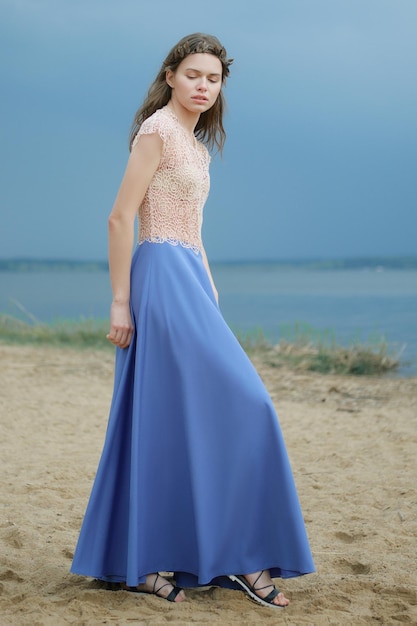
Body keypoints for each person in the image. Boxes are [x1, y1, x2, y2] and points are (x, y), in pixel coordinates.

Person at [70, 32, 315, 609]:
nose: (203, 86)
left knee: (198, 417)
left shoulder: (197, 145)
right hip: (157, 279)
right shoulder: (157, 131)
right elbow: (119, 217)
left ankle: (220, 556)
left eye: (214, 78)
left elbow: (194, 231)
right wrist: (120, 301)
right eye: (194, 75)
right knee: (244, 405)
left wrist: (209, 288)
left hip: (191, 283)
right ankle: (231, 561)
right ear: (171, 76)